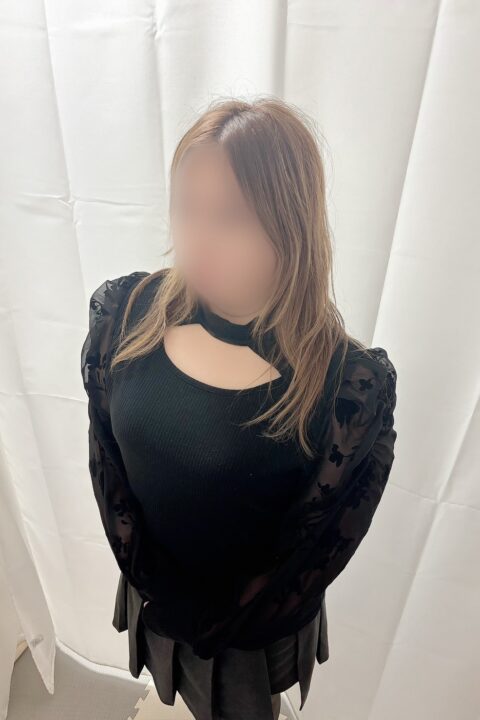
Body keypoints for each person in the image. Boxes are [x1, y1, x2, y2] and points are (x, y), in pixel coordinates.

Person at [81, 97, 397, 720]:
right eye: (186, 207)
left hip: (248, 629)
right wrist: (150, 580)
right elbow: (106, 456)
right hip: (153, 589)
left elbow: (317, 543)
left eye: (230, 216)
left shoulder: (346, 387)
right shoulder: (123, 313)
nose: (197, 240)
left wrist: (219, 624)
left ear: (289, 225)